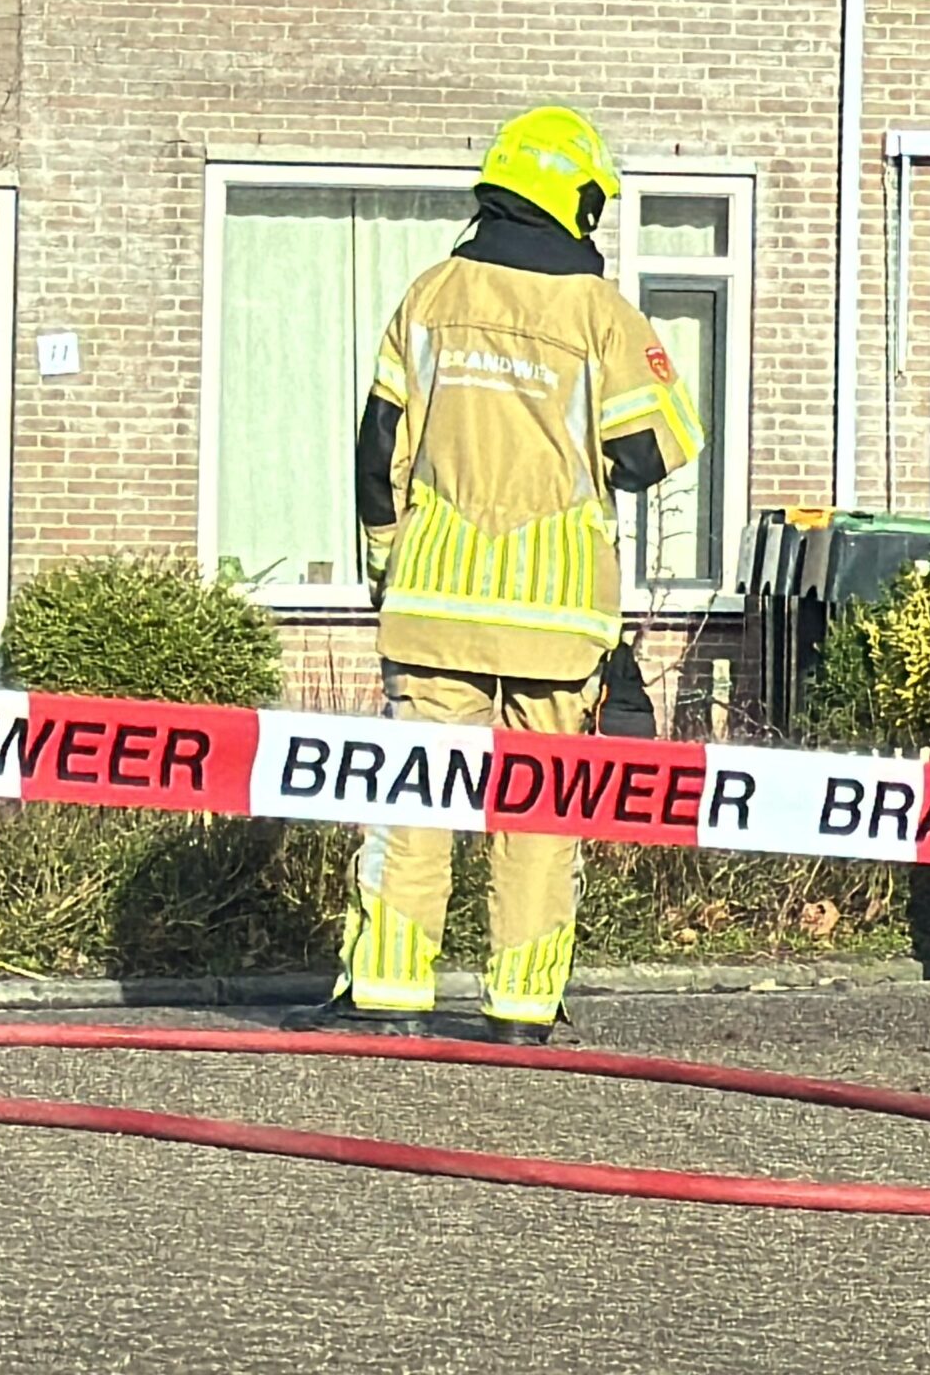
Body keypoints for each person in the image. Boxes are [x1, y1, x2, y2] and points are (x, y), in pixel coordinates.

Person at [286, 106, 702, 1044]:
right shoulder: (600, 315)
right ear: (576, 199)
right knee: (543, 813)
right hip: (555, 615)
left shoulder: (429, 294)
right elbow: (652, 450)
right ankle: (519, 1011)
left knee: (414, 798)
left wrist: (389, 561)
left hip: (433, 604)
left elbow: (375, 449)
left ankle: (390, 996)